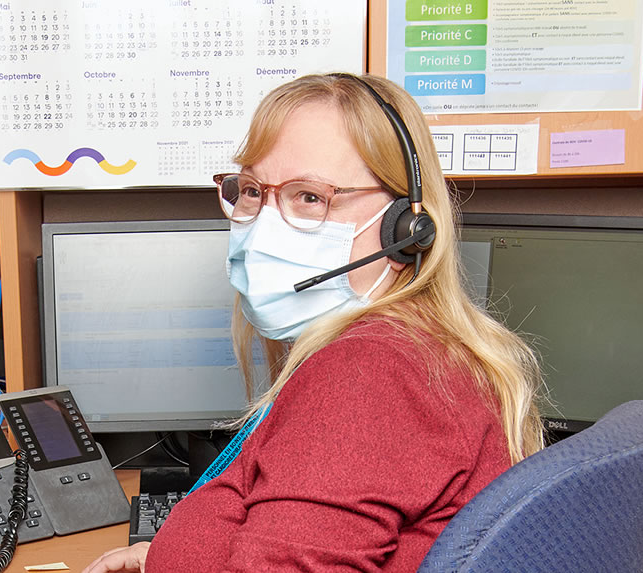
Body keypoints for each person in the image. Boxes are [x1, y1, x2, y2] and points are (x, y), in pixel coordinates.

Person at [83, 73, 544, 572]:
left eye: (309, 196)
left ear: (406, 229)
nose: (262, 225)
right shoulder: (416, 349)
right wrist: (171, 558)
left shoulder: (368, 374)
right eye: (253, 190)